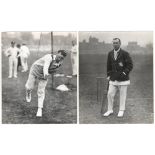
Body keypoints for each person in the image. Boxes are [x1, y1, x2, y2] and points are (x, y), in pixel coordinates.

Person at [25, 50, 67, 117]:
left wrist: (48, 74)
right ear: (57, 54)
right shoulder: (49, 57)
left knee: (41, 91)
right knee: (29, 87)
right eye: (60, 56)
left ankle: (39, 109)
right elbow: (46, 66)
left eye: (62, 58)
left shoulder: (60, 63)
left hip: (45, 74)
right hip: (35, 69)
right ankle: (28, 92)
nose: (60, 59)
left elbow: (53, 69)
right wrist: (46, 74)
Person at [103, 38, 133, 117]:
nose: (115, 44)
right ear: (112, 44)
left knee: (122, 95)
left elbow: (130, 65)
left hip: (123, 79)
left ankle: (121, 110)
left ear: (120, 44)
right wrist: (108, 75)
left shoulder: (125, 53)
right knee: (109, 94)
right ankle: (110, 110)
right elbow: (108, 65)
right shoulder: (110, 53)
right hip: (113, 78)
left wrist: (124, 73)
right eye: (114, 43)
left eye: (116, 43)